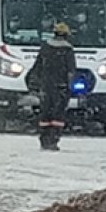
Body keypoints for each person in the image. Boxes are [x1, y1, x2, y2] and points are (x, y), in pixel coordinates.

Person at [26, 22, 76, 151]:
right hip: (61, 86)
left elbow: (37, 67)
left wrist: (33, 83)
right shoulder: (68, 50)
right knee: (58, 114)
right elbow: (71, 71)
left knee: (45, 113)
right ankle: (53, 139)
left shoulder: (46, 47)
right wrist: (70, 87)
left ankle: (44, 138)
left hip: (46, 86)